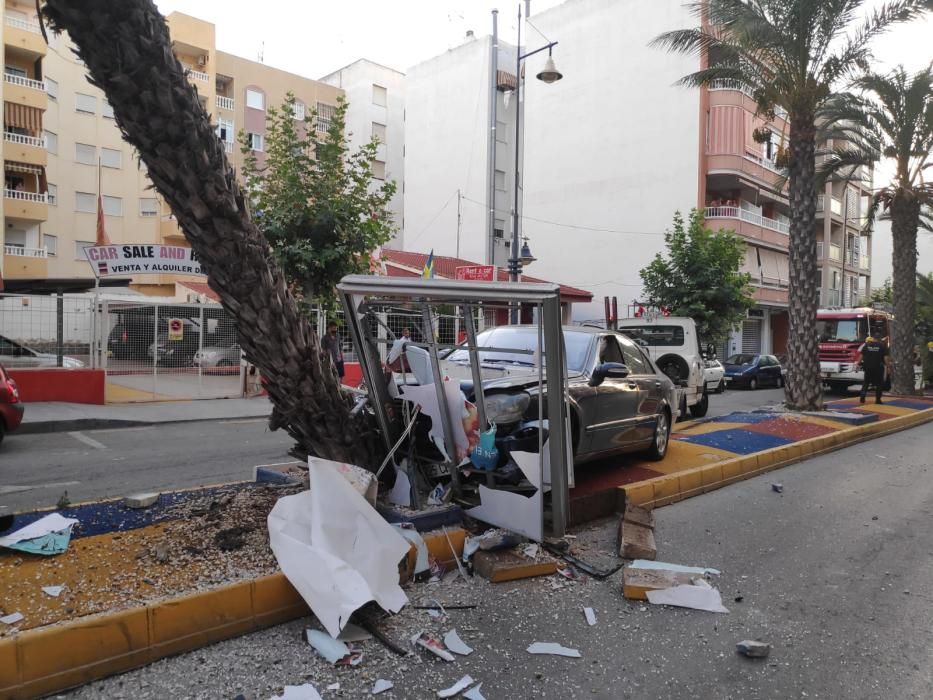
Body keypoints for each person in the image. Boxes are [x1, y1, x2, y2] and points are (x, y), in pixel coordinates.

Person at [857, 335, 889, 404]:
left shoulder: (866, 346)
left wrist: (858, 364)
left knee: (866, 382)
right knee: (879, 384)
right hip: (878, 368)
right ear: (879, 339)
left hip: (867, 367)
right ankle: (878, 400)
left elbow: (861, 357)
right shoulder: (882, 346)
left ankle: (862, 396)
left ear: (873, 339)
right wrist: (888, 366)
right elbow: (885, 358)